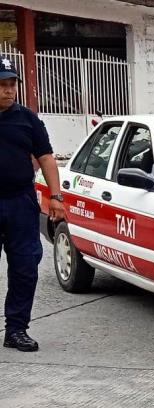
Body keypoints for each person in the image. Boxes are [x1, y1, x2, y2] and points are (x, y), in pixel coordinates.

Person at [1, 57, 65, 352]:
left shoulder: (27, 119)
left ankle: (15, 330)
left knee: (25, 267)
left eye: (12, 84)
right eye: (2, 85)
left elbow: (47, 157)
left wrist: (56, 196)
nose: (8, 90)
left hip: (20, 203)